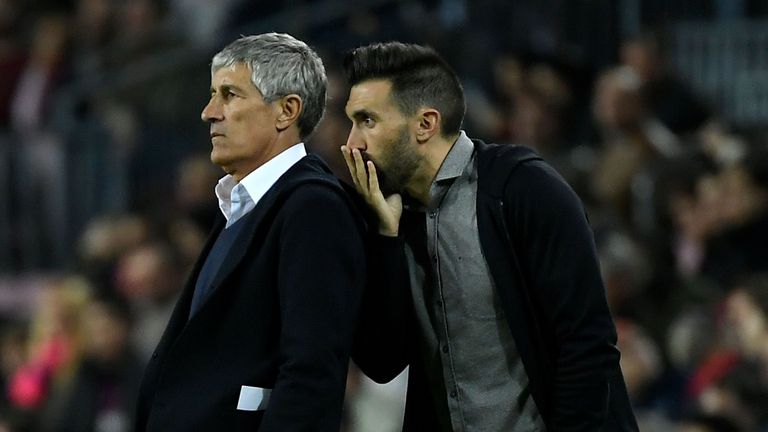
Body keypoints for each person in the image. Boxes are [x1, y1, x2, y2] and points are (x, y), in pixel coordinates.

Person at [341, 42, 639, 431]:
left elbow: (587, 346)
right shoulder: (390, 215)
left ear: (425, 124)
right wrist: (384, 237)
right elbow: (382, 362)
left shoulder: (525, 189)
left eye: (368, 121)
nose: (352, 142)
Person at [135, 33, 367, 431]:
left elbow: (311, 372)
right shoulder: (241, 207)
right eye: (212, 94)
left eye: (229, 95)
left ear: (286, 111)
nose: (209, 112)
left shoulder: (313, 208)